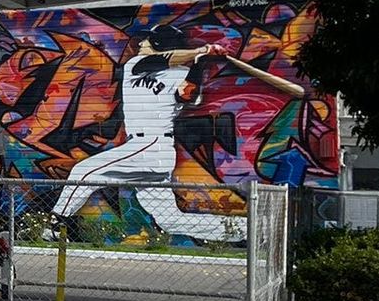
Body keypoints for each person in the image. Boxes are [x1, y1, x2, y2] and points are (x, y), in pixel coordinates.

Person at [52, 24, 304, 241]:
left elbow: (188, 94)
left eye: (147, 41)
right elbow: (160, 60)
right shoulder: (135, 65)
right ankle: (250, 230)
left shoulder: (181, 74)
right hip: (146, 151)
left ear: (158, 43)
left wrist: (199, 64)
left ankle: (56, 224)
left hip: (150, 147)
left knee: (84, 171)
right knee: (171, 221)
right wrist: (199, 51)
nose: (141, 44)